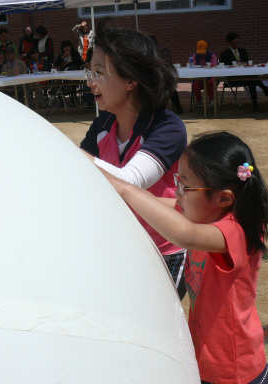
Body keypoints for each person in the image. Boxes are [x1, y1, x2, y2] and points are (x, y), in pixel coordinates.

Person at [102, 131, 268, 384]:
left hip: (233, 371)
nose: (177, 193)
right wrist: (97, 170)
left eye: (185, 185)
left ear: (223, 197)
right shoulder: (204, 211)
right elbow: (155, 203)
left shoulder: (238, 230)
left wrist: (125, 189)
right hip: (206, 360)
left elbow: (186, 235)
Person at [79, 18, 188, 299]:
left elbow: (131, 181)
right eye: (89, 73)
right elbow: (82, 179)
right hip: (124, 248)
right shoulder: (102, 125)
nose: (91, 83)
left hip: (165, 250)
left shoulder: (167, 126)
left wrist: (69, 154)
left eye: (99, 73)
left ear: (131, 80)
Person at [220, 32, 268, 112]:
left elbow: (247, 64)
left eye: (237, 42)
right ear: (229, 43)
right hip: (233, 78)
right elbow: (225, 67)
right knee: (252, 79)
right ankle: (263, 91)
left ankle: (256, 103)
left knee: (251, 80)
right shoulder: (224, 54)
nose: (236, 45)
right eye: (234, 43)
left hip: (245, 75)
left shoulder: (243, 51)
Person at [150, 35, 184, 114]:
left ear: (155, 45)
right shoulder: (147, 53)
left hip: (165, 76)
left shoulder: (163, 51)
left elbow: (166, 64)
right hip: (153, 77)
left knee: (170, 89)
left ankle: (178, 107)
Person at [192, 40, 217, 107]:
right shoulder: (195, 56)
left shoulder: (212, 55)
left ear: (206, 48)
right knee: (195, 84)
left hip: (210, 77)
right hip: (200, 78)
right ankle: (198, 100)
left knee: (210, 82)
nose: (201, 54)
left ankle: (211, 100)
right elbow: (193, 67)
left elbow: (213, 68)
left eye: (203, 51)